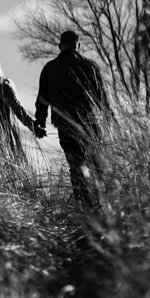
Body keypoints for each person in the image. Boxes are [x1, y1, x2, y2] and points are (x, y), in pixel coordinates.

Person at [34, 30, 109, 206]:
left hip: (65, 126)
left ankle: (83, 206)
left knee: (76, 167)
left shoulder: (49, 68)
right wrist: (109, 118)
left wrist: (40, 123)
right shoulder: (90, 66)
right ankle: (102, 204)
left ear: (60, 46)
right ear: (79, 46)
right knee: (97, 164)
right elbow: (102, 99)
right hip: (90, 124)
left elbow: (42, 100)